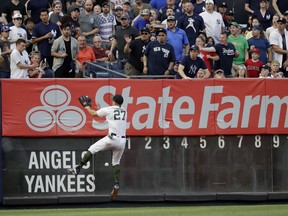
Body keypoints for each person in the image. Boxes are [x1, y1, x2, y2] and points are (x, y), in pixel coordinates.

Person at [68, 94, 127, 201]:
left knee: (92, 148)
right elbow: (111, 116)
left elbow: (93, 114)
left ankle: (78, 168)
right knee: (116, 162)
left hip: (111, 139)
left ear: (113, 101)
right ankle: (117, 184)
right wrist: (100, 109)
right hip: (122, 141)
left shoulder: (109, 109)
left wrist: (86, 106)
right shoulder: (124, 110)